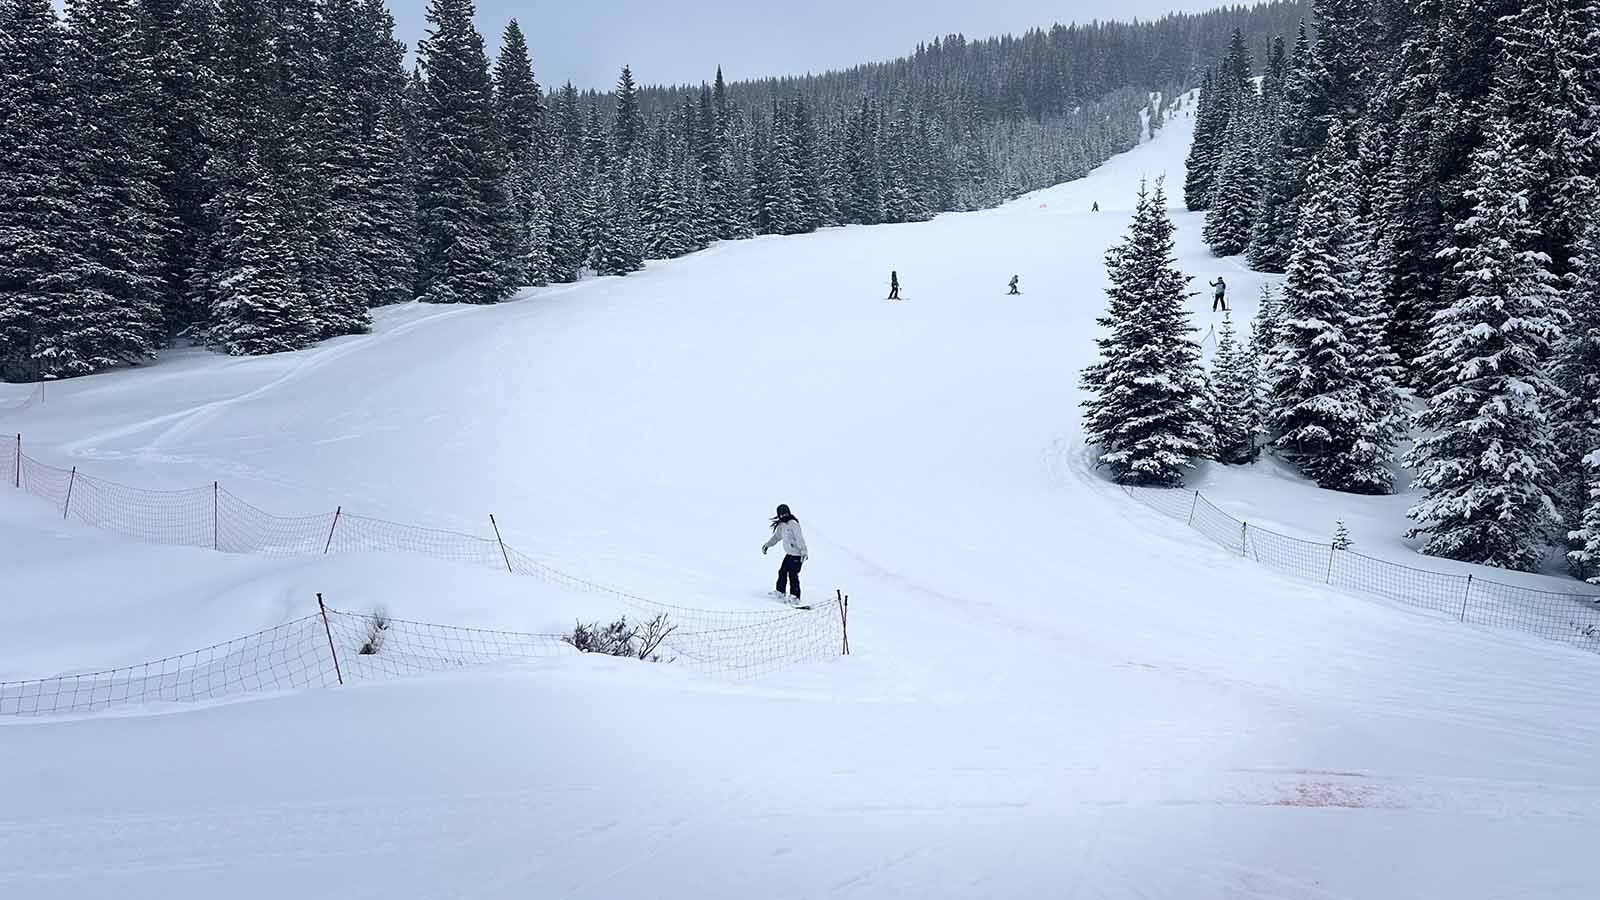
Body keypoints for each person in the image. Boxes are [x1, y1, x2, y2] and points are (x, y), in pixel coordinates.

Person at [761, 503, 808, 603]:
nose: (783, 516)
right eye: (781, 514)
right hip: (789, 554)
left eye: (785, 513)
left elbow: (799, 538)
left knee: (793, 575)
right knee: (782, 572)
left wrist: (804, 551)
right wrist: (767, 545)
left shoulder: (793, 524)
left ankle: (795, 597)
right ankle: (780, 592)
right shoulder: (782, 525)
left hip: (797, 555)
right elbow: (776, 537)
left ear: (789, 512)